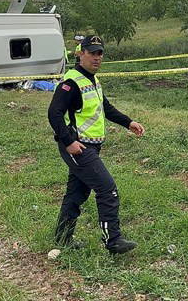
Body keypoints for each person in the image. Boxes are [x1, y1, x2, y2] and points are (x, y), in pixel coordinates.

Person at [48, 35, 145, 254]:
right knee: (107, 189)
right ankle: (113, 241)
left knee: (76, 194)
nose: (97, 57)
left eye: (100, 53)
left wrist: (128, 122)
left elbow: (105, 107)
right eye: (92, 53)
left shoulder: (91, 79)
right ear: (81, 54)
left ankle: (62, 238)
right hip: (78, 147)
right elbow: (54, 113)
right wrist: (69, 142)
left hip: (90, 146)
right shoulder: (71, 82)